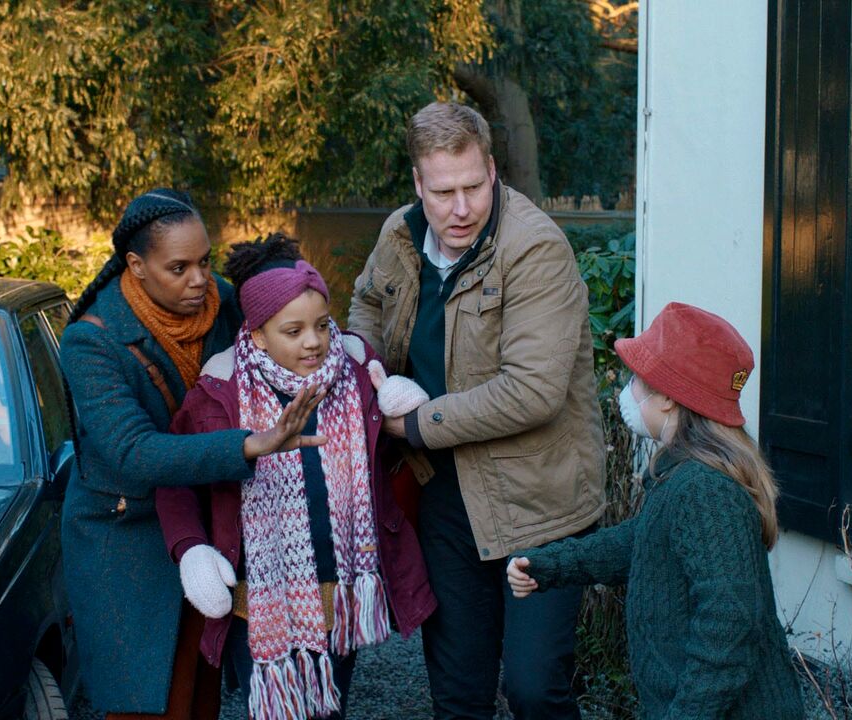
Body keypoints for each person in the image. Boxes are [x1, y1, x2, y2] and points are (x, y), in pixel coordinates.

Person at [348, 102, 606, 719]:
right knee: (458, 694)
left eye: (473, 186)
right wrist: (368, 364)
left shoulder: (535, 247)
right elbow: (366, 305)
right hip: (444, 494)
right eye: (443, 192)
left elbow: (533, 391)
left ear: (492, 170)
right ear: (418, 183)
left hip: (540, 500)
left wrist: (413, 424)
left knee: (535, 689)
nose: (460, 208)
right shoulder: (399, 235)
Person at [60, 191, 323, 720]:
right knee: (141, 701)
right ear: (136, 265)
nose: (199, 279)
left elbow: (291, 338)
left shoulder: (223, 302)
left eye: (205, 261)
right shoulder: (91, 341)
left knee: (200, 691)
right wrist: (249, 443)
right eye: (179, 268)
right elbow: (133, 452)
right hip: (127, 536)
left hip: (205, 523)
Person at [156, 235, 436, 719]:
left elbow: (383, 458)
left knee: (331, 708)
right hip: (256, 603)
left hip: (339, 596)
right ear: (258, 335)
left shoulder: (355, 371)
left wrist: (398, 408)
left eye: (322, 325)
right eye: (294, 330)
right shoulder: (220, 391)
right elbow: (175, 474)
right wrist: (190, 547)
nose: (313, 341)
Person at [507, 302, 806, 720]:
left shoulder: (704, 489)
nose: (628, 390)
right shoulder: (684, 478)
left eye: (636, 378)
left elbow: (729, 621)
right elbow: (638, 542)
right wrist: (548, 565)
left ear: (667, 397)